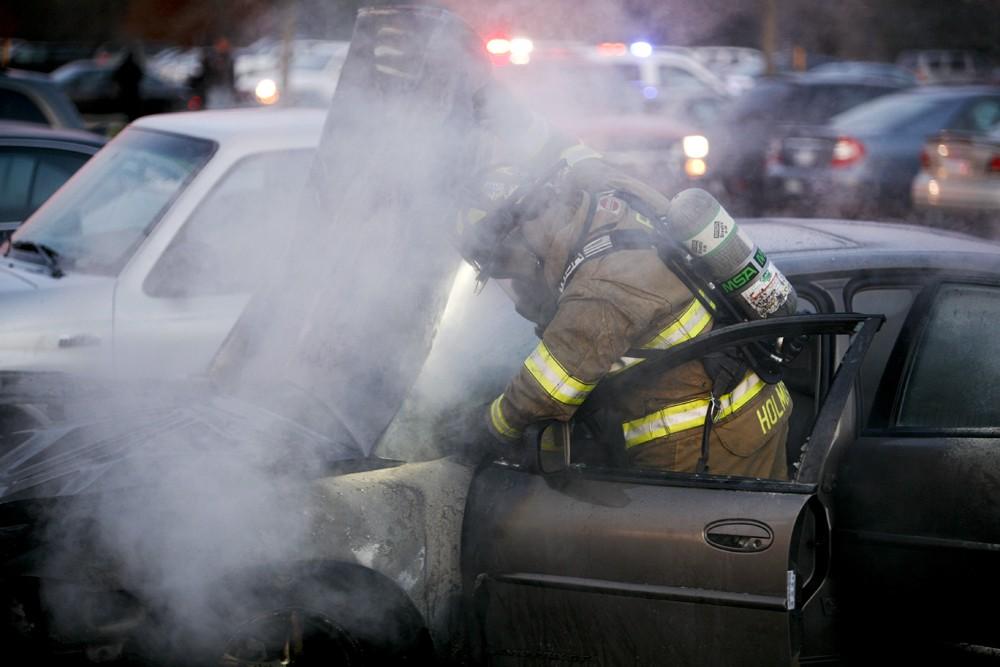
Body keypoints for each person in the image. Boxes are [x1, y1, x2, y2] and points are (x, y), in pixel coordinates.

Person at [456, 95, 791, 478]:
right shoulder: (607, 190)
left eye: (503, 265)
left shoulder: (599, 288)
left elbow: (546, 392)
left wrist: (488, 428)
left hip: (702, 440)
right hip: (757, 406)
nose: (513, 280)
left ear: (519, 238)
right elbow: (566, 147)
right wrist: (489, 97)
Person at [196, 36, 236, 108]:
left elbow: (231, 74)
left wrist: (232, 86)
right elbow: (206, 73)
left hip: (226, 87)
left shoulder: (229, 58)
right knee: (214, 106)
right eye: (222, 45)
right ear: (216, 46)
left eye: (225, 45)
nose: (224, 47)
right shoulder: (210, 58)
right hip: (213, 87)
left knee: (228, 105)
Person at [112, 47, 144, 122]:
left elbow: (115, 77)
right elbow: (141, 76)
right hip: (132, 91)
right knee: (132, 110)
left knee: (127, 110)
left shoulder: (123, 66)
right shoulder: (134, 66)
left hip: (125, 91)